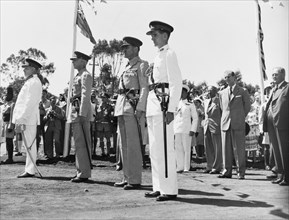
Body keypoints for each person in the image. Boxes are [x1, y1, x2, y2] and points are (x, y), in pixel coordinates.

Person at [145, 21, 182, 201]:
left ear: (165, 36)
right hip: (153, 104)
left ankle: (169, 189)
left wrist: (172, 108)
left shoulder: (169, 54)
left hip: (164, 105)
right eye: (152, 35)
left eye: (155, 35)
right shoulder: (157, 56)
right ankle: (158, 186)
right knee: (154, 148)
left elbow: (176, 82)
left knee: (166, 148)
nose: (152, 38)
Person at [114, 36, 149, 190]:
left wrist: (140, 108)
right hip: (122, 107)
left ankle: (134, 179)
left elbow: (144, 88)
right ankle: (126, 177)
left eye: (126, 48)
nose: (124, 50)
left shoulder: (141, 65)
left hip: (132, 109)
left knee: (133, 145)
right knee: (123, 145)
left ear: (135, 49)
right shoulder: (126, 67)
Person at [12, 58, 43, 178]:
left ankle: (30, 170)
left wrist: (22, 119)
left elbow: (29, 103)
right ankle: (29, 168)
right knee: (28, 144)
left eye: (27, 68)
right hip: (26, 118)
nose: (24, 70)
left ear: (34, 69)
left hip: (28, 119)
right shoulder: (30, 82)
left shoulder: (34, 82)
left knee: (30, 144)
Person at [218, 70, 251, 180]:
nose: (226, 79)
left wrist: (240, 116)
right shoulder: (222, 93)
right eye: (225, 77)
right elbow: (222, 108)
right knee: (225, 149)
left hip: (238, 123)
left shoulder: (243, 91)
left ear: (234, 77)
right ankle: (227, 171)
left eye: (228, 77)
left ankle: (240, 172)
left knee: (239, 149)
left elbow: (247, 107)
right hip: (225, 123)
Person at [68, 51, 93, 183]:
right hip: (75, 111)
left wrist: (83, 113)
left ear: (83, 61)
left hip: (80, 113)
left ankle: (84, 172)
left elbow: (85, 95)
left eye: (75, 60)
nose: (73, 62)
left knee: (83, 143)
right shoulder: (78, 75)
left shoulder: (85, 75)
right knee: (78, 143)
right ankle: (81, 171)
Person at [263, 67, 289, 186]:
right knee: (277, 151)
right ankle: (280, 174)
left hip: (282, 123)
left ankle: (287, 177)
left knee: (284, 150)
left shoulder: (287, 87)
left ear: (283, 74)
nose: (273, 76)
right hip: (271, 124)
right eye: (272, 75)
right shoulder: (274, 89)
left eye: (276, 74)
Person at [174, 84, 198, 173]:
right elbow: (174, 117)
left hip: (186, 129)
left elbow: (195, 118)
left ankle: (186, 167)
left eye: (183, 92)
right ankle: (179, 166)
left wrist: (193, 129)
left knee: (186, 149)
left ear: (186, 93)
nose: (181, 94)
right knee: (178, 148)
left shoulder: (190, 104)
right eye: (180, 92)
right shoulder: (176, 103)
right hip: (177, 129)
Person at [203, 86, 223, 174]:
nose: (209, 92)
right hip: (207, 126)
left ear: (215, 91)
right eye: (208, 91)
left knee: (217, 148)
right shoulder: (207, 101)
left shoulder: (219, 101)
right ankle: (209, 166)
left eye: (210, 91)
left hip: (216, 126)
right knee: (208, 147)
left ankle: (217, 167)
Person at [95, 92, 113, 157]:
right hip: (99, 125)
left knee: (108, 139)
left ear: (107, 99)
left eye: (104, 98)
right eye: (102, 97)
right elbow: (96, 115)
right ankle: (102, 152)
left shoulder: (110, 107)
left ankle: (108, 152)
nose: (103, 99)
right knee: (101, 139)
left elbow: (111, 116)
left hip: (107, 124)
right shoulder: (97, 107)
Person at [1, 87, 15, 164]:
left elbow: (12, 116)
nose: (6, 96)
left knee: (9, 141)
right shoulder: (6, 104)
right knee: (6, 141)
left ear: (10, 95)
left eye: (7, 94)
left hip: (9, 125)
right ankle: (8, 157)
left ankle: (10, 158)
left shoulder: (12, 104)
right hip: (4, 124)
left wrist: (11, 126)